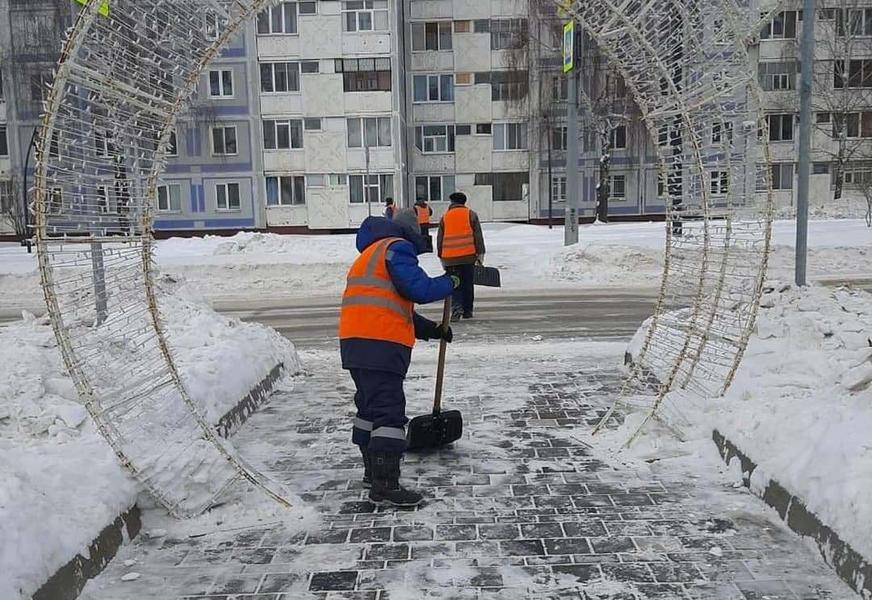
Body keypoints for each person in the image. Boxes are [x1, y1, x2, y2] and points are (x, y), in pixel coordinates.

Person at [339, 208, 458, 507]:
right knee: (389, 413)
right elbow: (418, 288)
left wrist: (433, 330)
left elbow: (393, 305)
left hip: (356, 344)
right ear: (408, 232)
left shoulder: (369, 255)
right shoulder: (396, 247)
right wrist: (451, 283)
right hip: (381, 345)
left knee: (369, 409)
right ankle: (385, 486)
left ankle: (372, 472)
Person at [437, 191, 485, 322]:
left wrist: (441, 256)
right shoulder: (471, 214)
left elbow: (440, 239)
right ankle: (468, 311)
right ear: (464, 202)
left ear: (452, 202)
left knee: (455, 284)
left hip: (450, 259)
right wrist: (480, 254)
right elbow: (478, 236)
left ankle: (456, 308)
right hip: (468, 257)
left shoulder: (445, 217)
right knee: (468, 284)